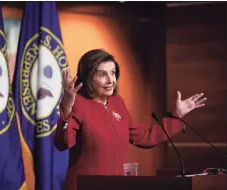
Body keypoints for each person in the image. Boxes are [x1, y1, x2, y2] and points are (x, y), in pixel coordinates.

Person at [54, 49, 207, 190]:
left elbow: (144, 137)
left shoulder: (117, 102)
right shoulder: (78, 103)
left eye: (113, 73)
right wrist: (66, 110)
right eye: (102, 74)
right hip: (84, 186)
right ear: (88, 77)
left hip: (116, 185)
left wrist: (176, 117)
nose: (110, 80)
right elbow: (63, 143)